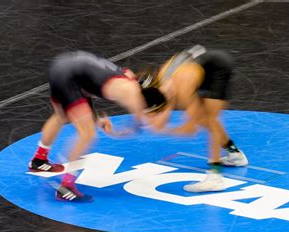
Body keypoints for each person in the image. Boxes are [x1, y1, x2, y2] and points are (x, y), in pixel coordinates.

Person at [29, 50, 167, 202]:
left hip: (64, 65)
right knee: (87, 135)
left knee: (61, 116)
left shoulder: (128, 76)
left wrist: (96, 120)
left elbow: (86, 88)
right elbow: (135, 122)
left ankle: (39, 160)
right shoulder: (130, 92)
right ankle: (66, 186)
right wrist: (118, 132)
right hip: (70, 75)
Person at [141, 45, 248, 193]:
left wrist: (166, 130)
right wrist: (157, 121)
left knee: (210, 120)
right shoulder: (161, 83)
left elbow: (190, 129)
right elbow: (163, 107)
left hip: (218, 67)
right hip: (200, 69)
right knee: (203, 120)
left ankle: (215, 178)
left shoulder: (183, 87)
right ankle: (235, 154)